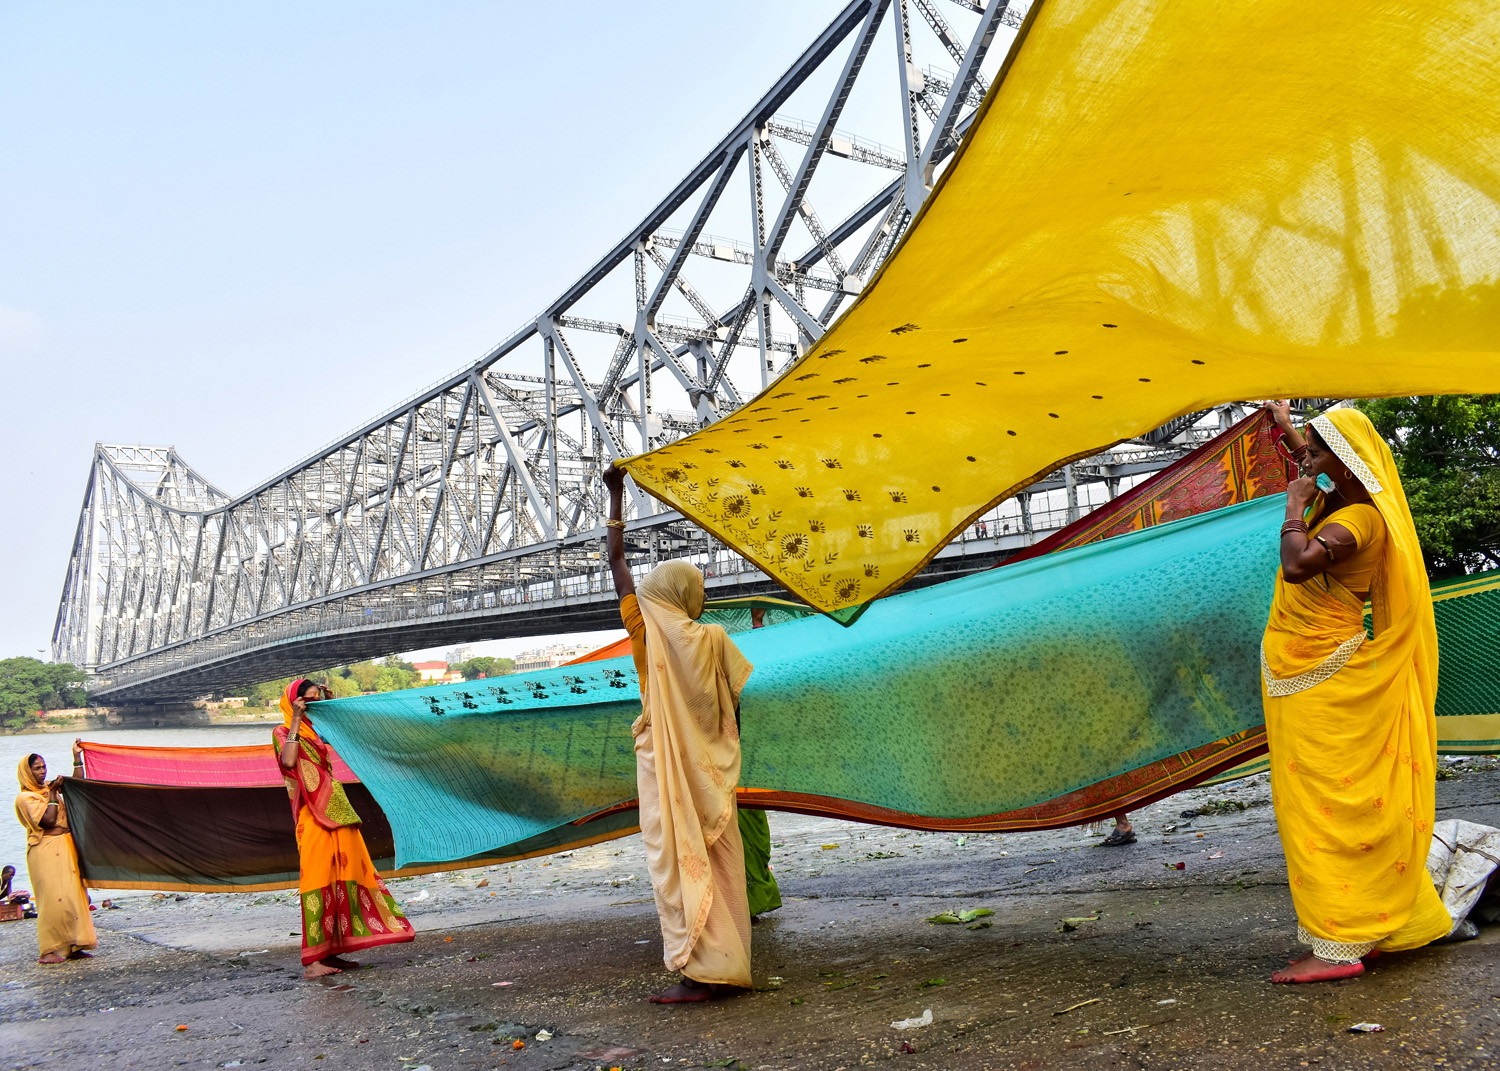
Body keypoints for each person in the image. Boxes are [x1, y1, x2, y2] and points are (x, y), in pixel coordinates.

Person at [1260, 404, 1452, 983]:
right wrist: (1285, 423)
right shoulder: (1339, 499)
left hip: (1321, 678)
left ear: (1343, 464)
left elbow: (1298, 566)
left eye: (1318, 454)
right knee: (1315, 802)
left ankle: (1339, 946)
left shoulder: (1358, 521)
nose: (1306, 463)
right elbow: (1313, 460)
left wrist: (1293, 509)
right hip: (1301, 671)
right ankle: (1380, 921)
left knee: (1325, 808)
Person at [604, 464, 754, 1003]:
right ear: (690, 595)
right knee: (719, 856)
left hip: (664, 768)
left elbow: (617, 562)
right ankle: (728, 966)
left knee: (678, 861)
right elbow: (737, 704)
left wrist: (614, 494)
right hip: (711, 771)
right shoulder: (714, 638)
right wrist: (715, 747)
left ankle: (698, 974)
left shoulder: (645, 632)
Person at [274, 679, 414, 979]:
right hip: (312, 816)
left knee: (344, 877)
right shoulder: (283, 731)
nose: (310, 706)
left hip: (337, 811)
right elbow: (288, 762)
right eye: (306, 702)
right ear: (292, 703)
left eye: (315, 701)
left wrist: (331, 708)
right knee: (318, 882)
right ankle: (312, 962)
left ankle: (331, 952)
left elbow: (349, 740)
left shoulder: (318, 730)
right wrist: (298, 719)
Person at [14, 742, 96, 964]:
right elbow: (48, 821)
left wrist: (76, 758)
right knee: (52, 900)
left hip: (65, 845)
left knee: (73, 897)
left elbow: (78, 787)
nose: (42, 772)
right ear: (27, 772)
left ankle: (74, 944)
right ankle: (48, 950)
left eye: (43, 767)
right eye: (37, 768)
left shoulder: (47, 790)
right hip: (45, 850)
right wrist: (51, 793)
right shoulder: (27, 798)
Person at [740, 607, 783, 920]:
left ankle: (750, 901)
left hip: (746, 777)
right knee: (742, 843)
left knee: (755, 841)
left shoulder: (749, 698)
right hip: (727, 777)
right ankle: (743, 903)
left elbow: (761, 670)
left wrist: (757, 625)